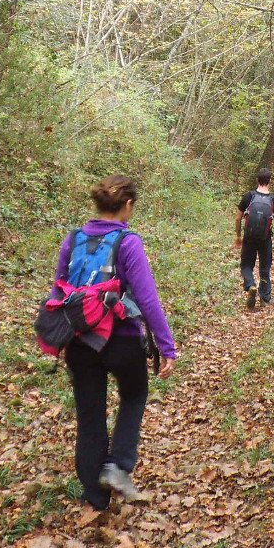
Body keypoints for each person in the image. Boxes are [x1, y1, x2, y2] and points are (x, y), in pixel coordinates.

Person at [58, 175, 177, 511]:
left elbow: (59, 291)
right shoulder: (128, 242)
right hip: (122, 339)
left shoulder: (74, 239)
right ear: (127, 205)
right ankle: (118, 465)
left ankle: (94, 498)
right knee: (135, 394)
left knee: (90, 414)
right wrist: (167, 346)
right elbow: (147, 298)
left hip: (80, 343)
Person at [235, 167, 274, 309]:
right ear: (270, 181)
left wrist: (238, 236)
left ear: (257, 180)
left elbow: (238, 218)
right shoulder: (273, 200)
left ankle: (251, 285)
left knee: (246, 265)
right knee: (265, 268)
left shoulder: (248, 196)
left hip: (249, 237)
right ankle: (265, 298)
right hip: (265, 239)